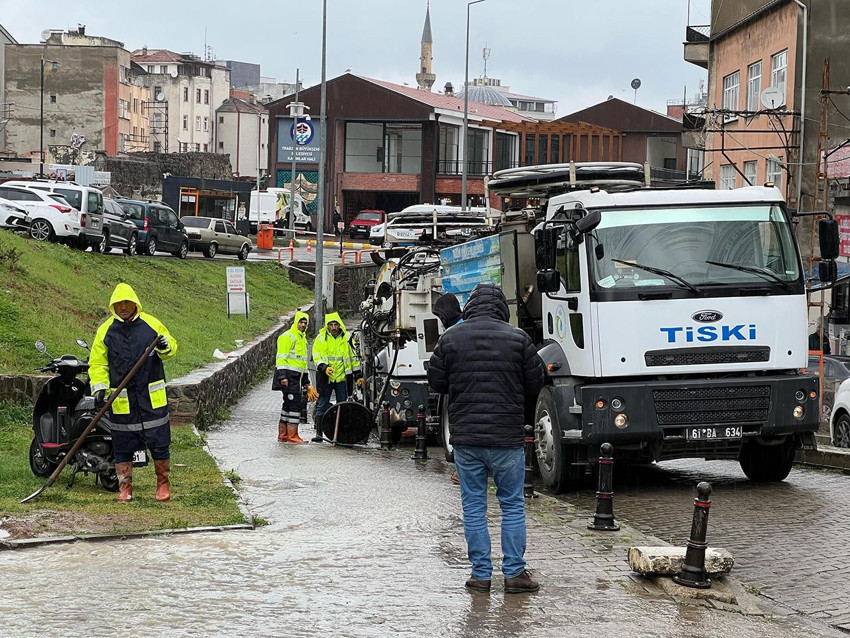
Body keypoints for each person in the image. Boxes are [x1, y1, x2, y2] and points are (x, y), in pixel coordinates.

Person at [427, 283, 544, 594]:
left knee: (474, 506)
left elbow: (436, 382)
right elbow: (536, 381)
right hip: (506, 438)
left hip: (466, 440)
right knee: (513, 505)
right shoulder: (518, 338)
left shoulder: (449, 338)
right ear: (501, 309)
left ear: (470, 308)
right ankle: (515, 574)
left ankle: (481, 575)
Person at [89, 283, 177, 503]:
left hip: (151, 398)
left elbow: (171, 348)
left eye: (127, 303)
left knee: (159, 442)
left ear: (135, 303)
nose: (124, 307)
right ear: (113, 306)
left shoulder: (151, 324)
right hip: (123, 399)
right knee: (123, 444)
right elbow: (98, 363)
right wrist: (99, 386)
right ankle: (125, 488)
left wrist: (165, 346)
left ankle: (162, 485)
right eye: (119, 304)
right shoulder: (106, 330)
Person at [312, 312, 363, 437]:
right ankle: (319, 434)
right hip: (326, 378)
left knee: (343, 406)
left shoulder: (347, 338)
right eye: (331, 325)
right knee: (322, 405)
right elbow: (316, 355)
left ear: (340, 325)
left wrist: (358, 375)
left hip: (342, 378)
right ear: (327, 326)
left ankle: (340, 433)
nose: (334, 327)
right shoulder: (320, 338)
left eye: (336, 325)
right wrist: (324, 368)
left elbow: (354, 358)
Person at [274, 311, 317, 443]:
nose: (303, 325)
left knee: (287, 405)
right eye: (301, 322)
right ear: (296, 322)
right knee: (294, 405)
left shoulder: (301, 339)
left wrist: (306, 382)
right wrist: (282, 377)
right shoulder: (288, 337)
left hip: (295, 378)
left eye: (305, 323)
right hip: (288, 377)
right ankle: (292, 436)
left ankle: (284, 435)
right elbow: (281, 358)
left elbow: (302, 363)